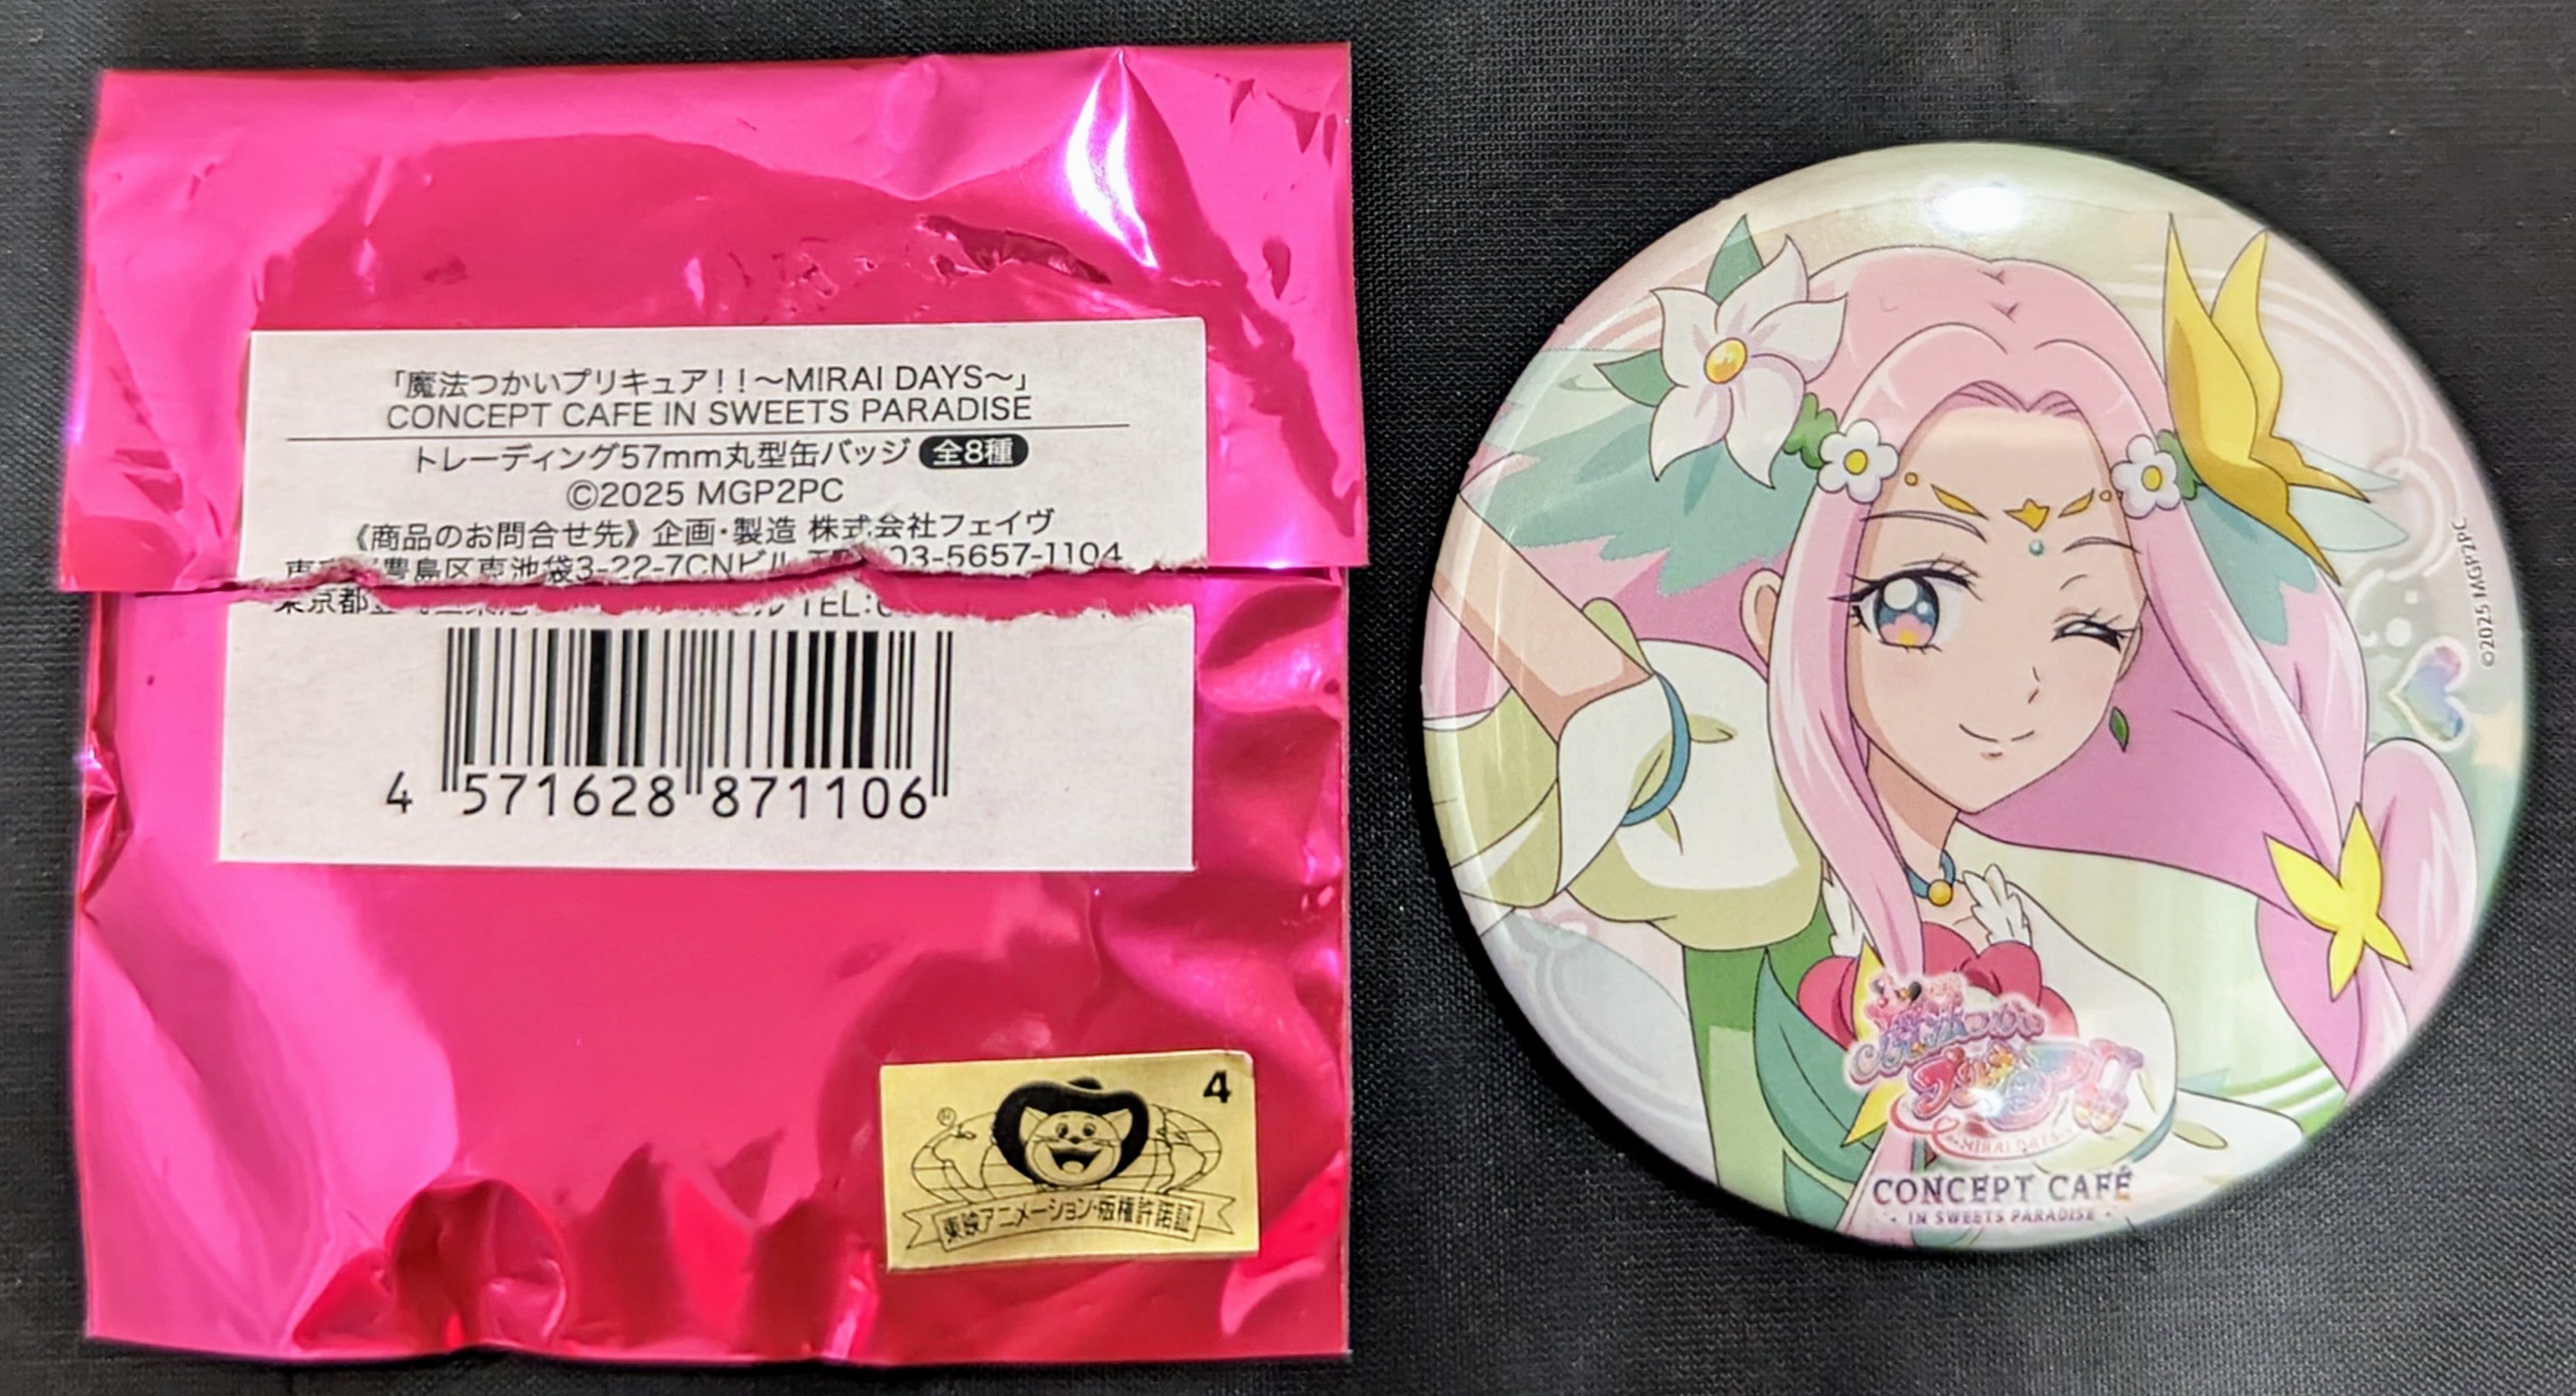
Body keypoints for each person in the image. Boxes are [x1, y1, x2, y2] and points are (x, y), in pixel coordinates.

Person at [1426, 232, 2475, 1244]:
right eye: (1917, 601)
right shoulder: (1749, 822)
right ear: (1775, 618)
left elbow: (2144, 1112)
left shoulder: (2008, 905)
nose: (2016, 687)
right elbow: (1592, 688)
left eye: (2086, 625)